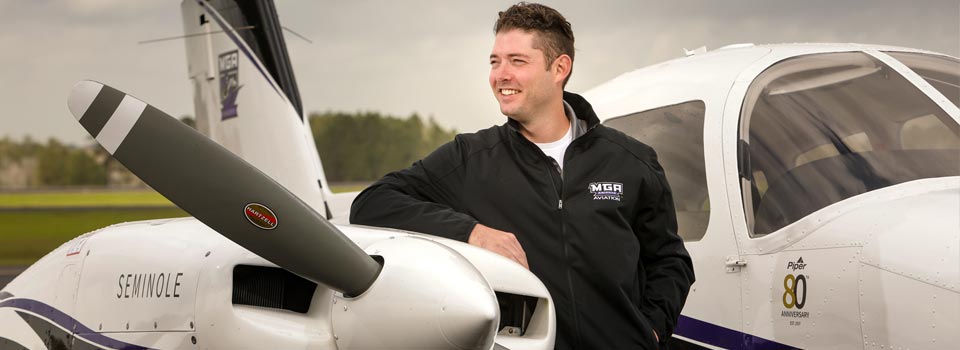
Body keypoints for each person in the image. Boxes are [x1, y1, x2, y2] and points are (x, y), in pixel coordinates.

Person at [350, 2, 694, 349]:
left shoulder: (631, 161)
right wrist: (472, 232)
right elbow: (372, 203)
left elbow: (669, 260)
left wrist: (649, 331)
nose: (501, 75)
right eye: (495, 61)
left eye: (517, 61)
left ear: (559, 68)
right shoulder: (471, 158)